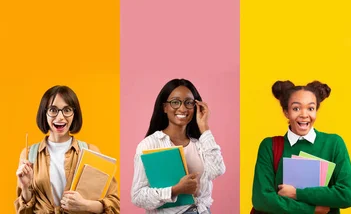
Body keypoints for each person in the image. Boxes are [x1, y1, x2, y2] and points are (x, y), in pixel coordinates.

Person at [251, 80, 351, 214]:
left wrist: (297, 193)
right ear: (286, 112)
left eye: (310, 108)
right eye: (296, 108)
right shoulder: (269, 146)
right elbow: (262, 199)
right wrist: (312, 209)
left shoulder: (334, 143)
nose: (304, 115)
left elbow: (347, 195)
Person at [15, 85, 120, 213]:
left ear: (74, 114)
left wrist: (86, 205)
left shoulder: (91, 151)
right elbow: (24, 212)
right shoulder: (29, 154)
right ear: (44, 113)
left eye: (67, 110)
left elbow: (114, 204)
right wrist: (26, 187)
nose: (60, 117)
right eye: (53, 110)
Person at [131, 78, 225, 214]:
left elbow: (217, 170)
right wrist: (176, 190)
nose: (182, 108)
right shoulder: (150, 144)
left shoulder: (199, 143)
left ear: (196, 106)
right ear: (164, 107)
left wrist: (204, 127)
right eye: (175, 102)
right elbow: (138, 196)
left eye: (189, 103)